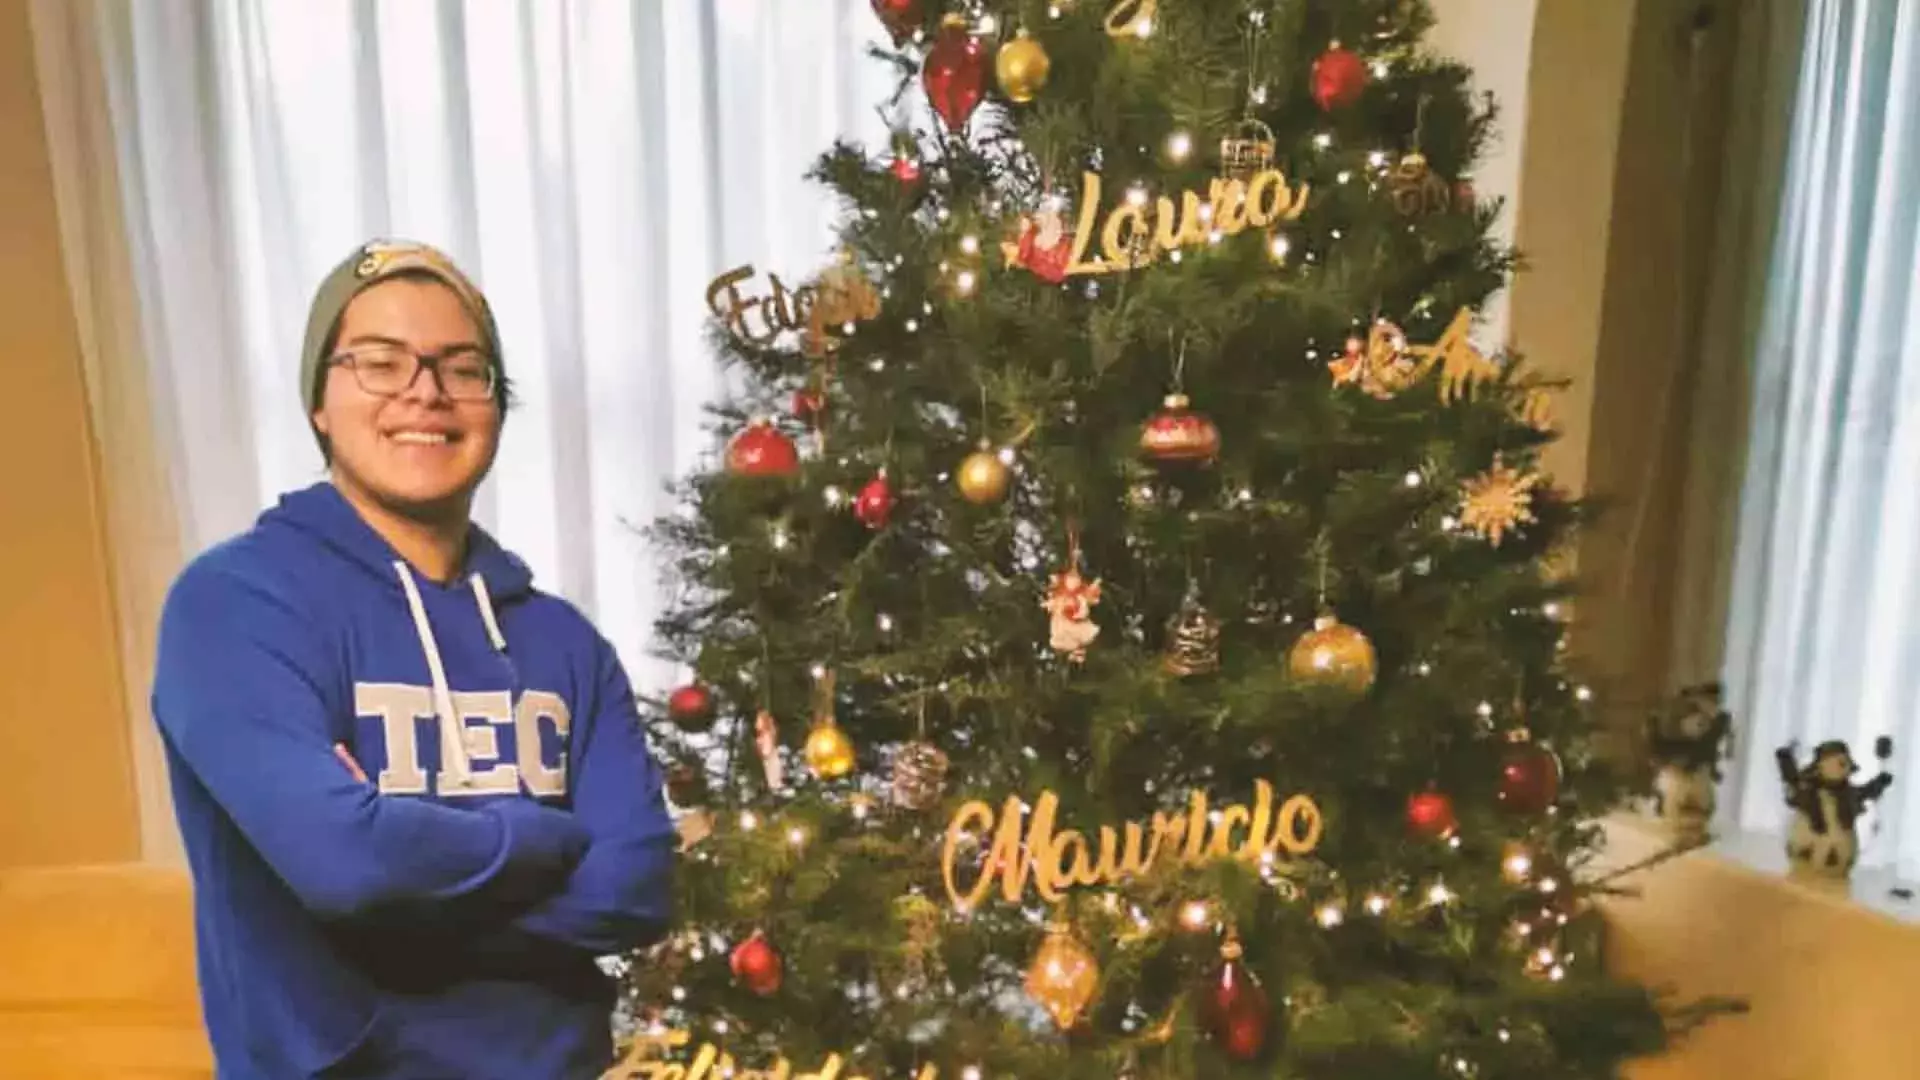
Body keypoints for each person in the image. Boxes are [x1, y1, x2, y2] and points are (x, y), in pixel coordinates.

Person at [151, 239, 676, 1078]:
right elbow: (345, 865)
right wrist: (545, 837)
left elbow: (638, 882)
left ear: (496, 406)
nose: (424, 391)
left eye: (463, 367)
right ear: (319, 402)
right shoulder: (235, 607)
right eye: (380, 362)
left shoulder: (565, 641)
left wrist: (404, 890)